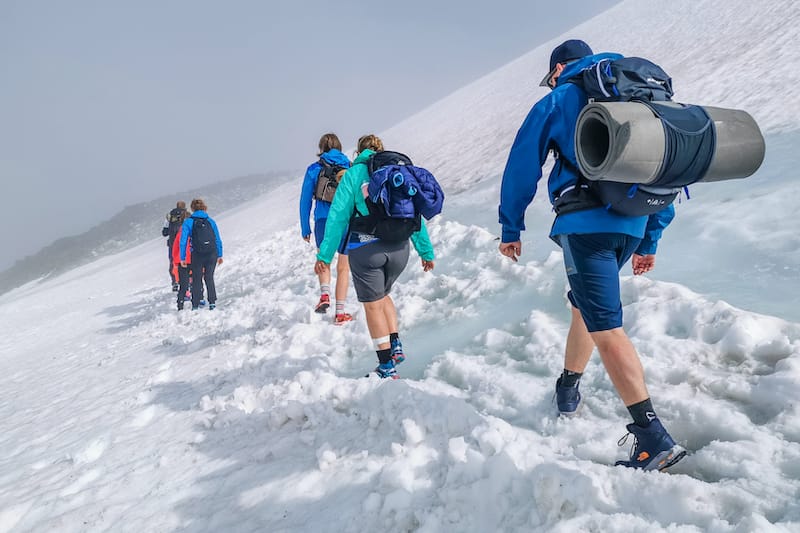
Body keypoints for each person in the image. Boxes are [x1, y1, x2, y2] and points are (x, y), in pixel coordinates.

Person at [497, 40, 685, 471]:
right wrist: (650, 238)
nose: (552, 82)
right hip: (634, 223)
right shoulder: (639, 95)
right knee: (584, 303)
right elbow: (663, 164)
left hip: (588, 228)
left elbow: (523, 162)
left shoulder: (562, 96)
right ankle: (568, 386)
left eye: (551, 75)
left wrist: (511, 226)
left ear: (560, 66)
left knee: (606, 326)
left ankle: (651, 436)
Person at [315, 134, 435, 379]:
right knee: (383, 296)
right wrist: (426, 251)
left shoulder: (353, 175)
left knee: (372, 306)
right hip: (400, 249)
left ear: (358, 153)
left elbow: (338, 217)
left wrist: (325, 255)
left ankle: (386, 366)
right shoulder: (395, 172)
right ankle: (395, 344)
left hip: (367, 250)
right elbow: (414, 215)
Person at [299, 133, 353, 324]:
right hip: (345, 221)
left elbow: (305, 200)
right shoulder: (349, 166)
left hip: (323, 220)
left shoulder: (314, 169)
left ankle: (324, 295)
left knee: (324, 260)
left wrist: (305, 227)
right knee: (344, 267)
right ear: (340, 146)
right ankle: (340, 313)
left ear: (321, 148)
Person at [179, 198, 223, 310]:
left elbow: (183, 241)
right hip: (211, 253)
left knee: (196, 278)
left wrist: (182, 257)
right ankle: (212, 302)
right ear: (204, 207)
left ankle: (195, 304)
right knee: (209, 277)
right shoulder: (210, 221)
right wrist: (220, 254)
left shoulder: (188, 222)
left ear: (192, 208)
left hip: (197, 254)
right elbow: (217, 239)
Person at [162, 201, 187, 290]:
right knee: (186, 261)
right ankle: (187, 281)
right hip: (185, 243)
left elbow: (164, 233)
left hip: (172, 245)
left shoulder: (169, 217)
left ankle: (174, 282)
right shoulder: (187, 215)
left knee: (173, 263)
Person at [170, 209, 192, 310]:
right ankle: (198, 299)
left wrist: (175, 260)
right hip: (193, 259)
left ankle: (181, 304)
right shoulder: (195, 230)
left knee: (182, 283)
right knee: (195, 279)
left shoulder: (180, 231)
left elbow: (175, 248)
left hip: (181, 260)